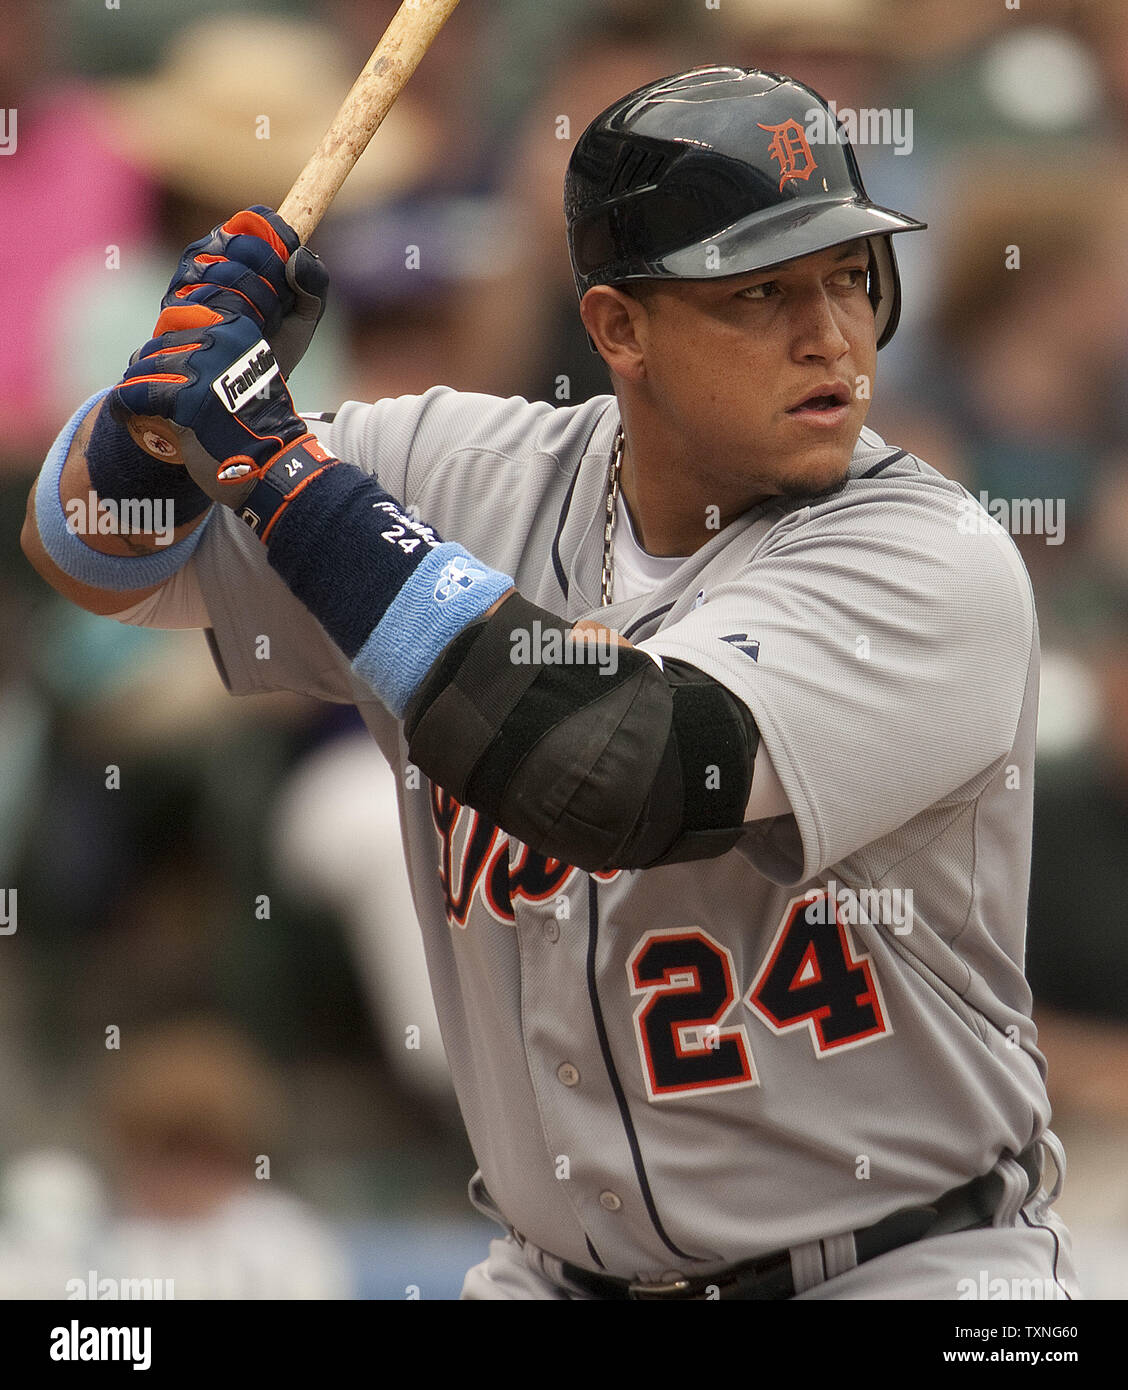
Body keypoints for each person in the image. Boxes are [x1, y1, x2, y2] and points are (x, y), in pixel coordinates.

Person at [22, 66, 1079, 1300]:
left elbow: (613, 763)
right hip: (553, 1273)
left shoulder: (930, 559)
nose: (831, 336)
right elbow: (91, 552)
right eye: (761, 293)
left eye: (851, 277)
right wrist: (160, 410)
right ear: (619, 328)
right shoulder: (460, 470)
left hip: (906, 1264)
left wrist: (279, 469)